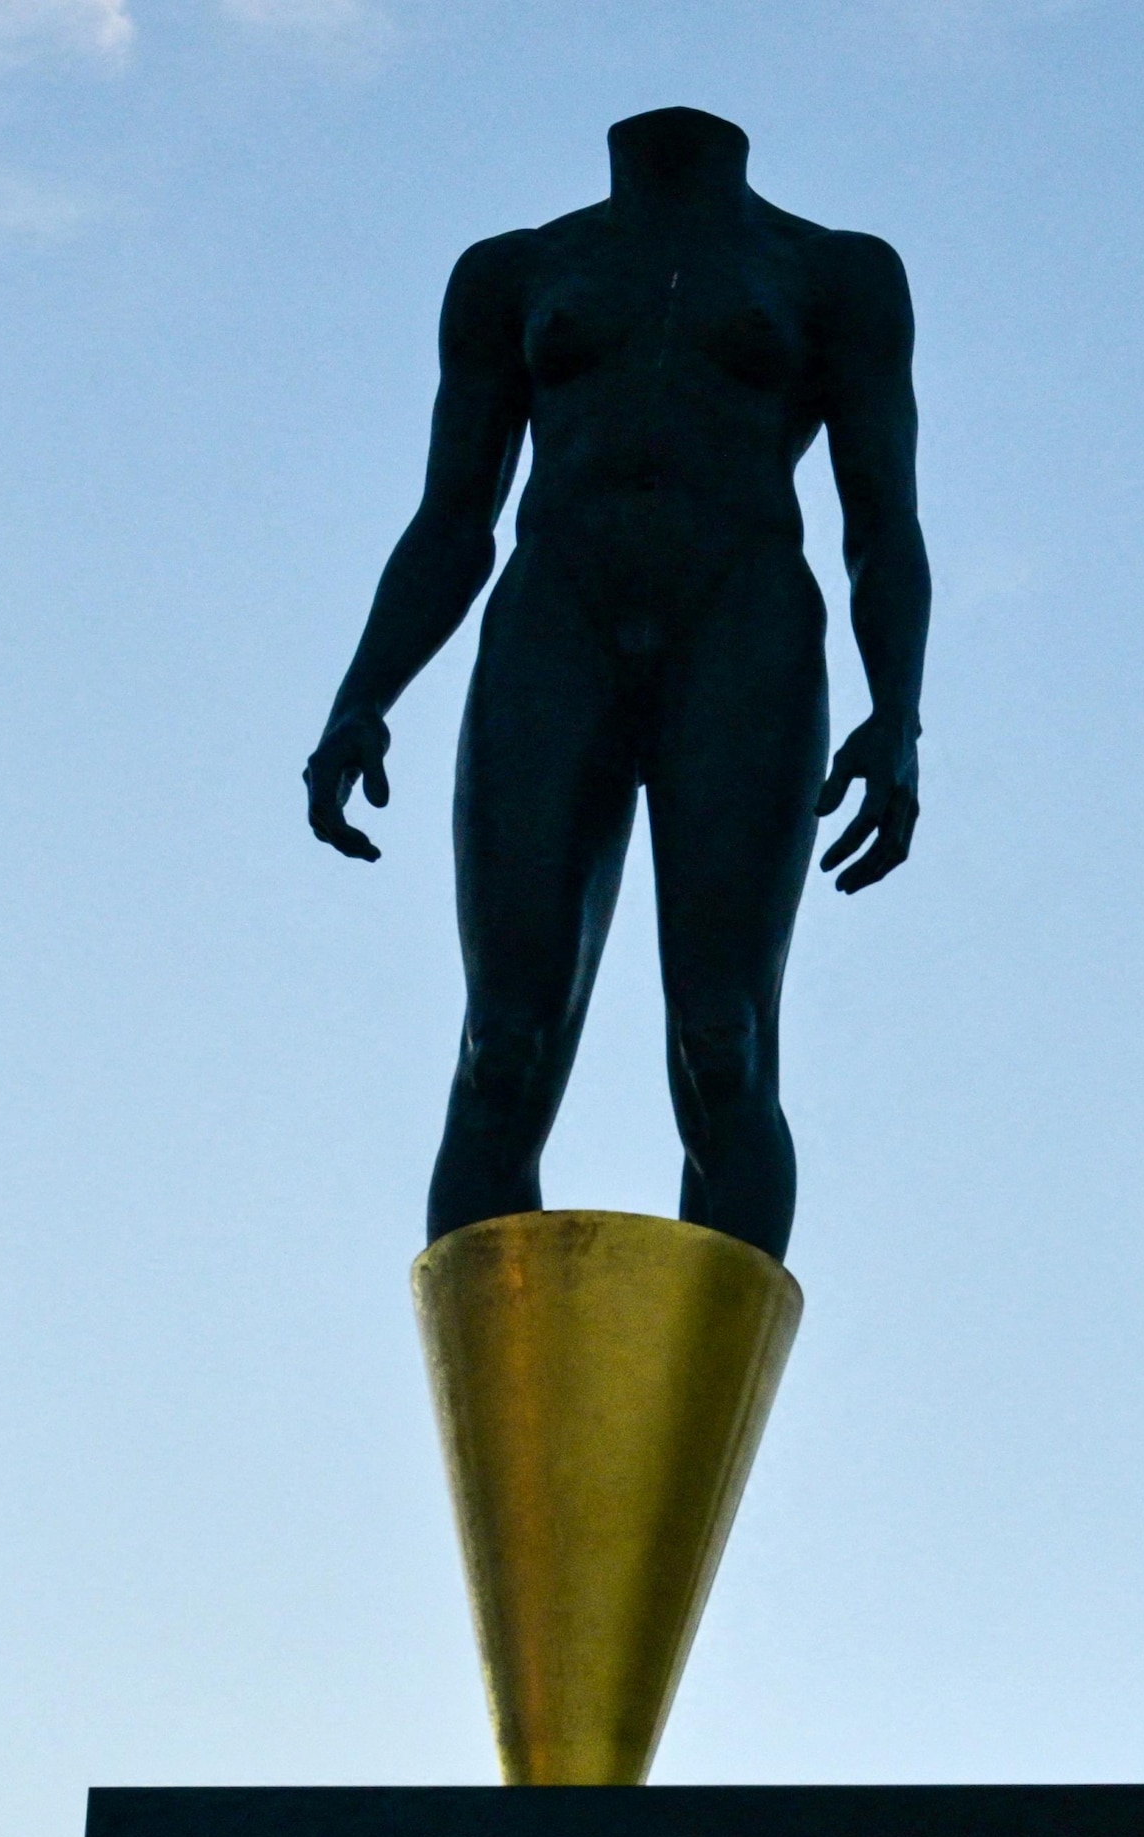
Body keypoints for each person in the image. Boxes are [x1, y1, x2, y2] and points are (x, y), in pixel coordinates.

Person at [305, 106, 928, 1260]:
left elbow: (881, 521)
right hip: (556, 629)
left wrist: (900, 712)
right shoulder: (515, 271)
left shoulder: (835, 271)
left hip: (741, 632)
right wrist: (364, 692)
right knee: (502, 1043)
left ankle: (698, 1413)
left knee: (724, 1038)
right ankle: (508, 1414)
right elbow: (453, 517)